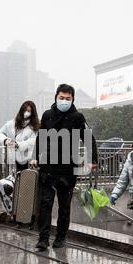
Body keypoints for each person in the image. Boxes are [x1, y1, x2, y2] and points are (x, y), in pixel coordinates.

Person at [31, 84, 98, 250]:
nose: (64, 101)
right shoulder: (47, 115)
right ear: (56, 97)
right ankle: (43, 239)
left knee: (64, 206)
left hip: (67, 168)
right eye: (61, 98)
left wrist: (92, 160)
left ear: (73, 99)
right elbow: (40, 137)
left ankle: (60, 238)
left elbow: (89, 138)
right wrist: (35, 157)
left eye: (68, 99)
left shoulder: (77, 117)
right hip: (48, 166)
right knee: (45, 205)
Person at [0, 100, 40, 172]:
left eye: (29, 111)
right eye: (24, 110)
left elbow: (33, 141)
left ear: (33, 113)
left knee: (25, 181)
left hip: (27, 160)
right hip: (12, 159)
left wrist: (18, 145)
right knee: (13, 179)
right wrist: (5, 140)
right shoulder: (11, 123)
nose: (26, 113)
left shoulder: (35, 126)